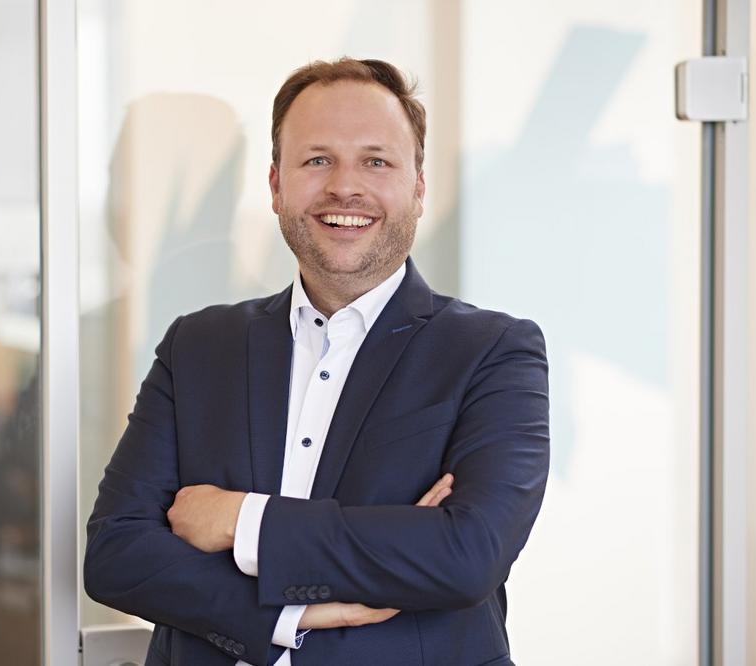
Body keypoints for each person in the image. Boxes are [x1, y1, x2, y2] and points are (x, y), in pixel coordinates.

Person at [84, 57, 549, 666]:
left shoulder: (494, 351)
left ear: (418, 187)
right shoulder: (197, 345)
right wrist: (286, 613)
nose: (344, 187)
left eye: (376, 161)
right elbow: (116, 554)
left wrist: (240, 520)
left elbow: (466, 556)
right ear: (276, 185)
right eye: (317, 160)